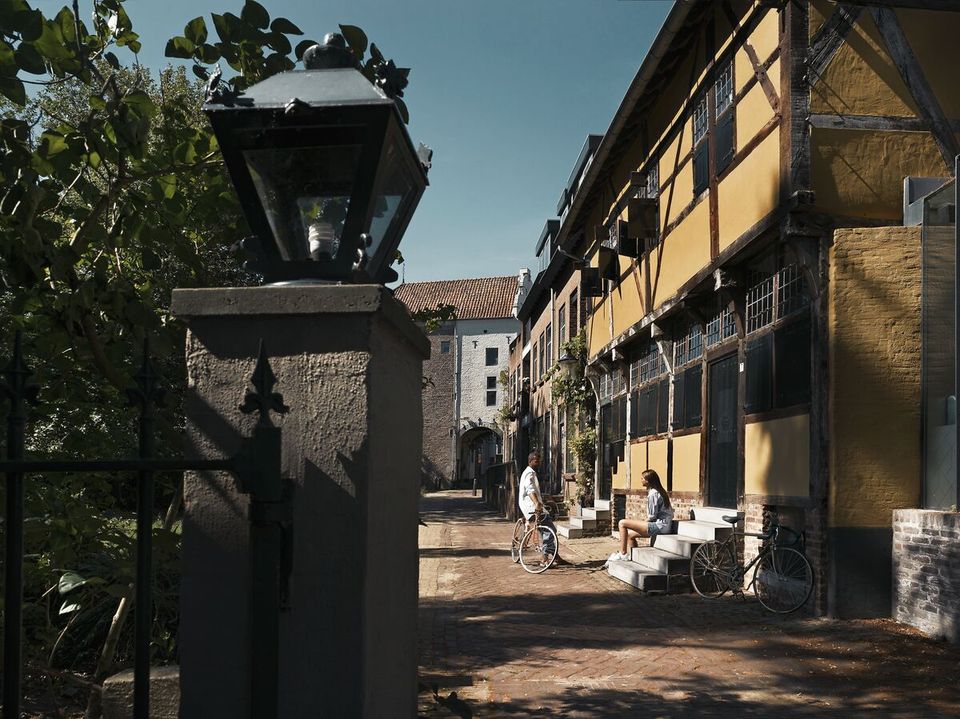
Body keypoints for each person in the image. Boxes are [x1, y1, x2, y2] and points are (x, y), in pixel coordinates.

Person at [607, 469, 674, 564]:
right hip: (665, 526)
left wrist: (642, 523)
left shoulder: (653, 494)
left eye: (642, 478)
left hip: (659, 526)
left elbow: (652, 516)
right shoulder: (660, 491)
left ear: (648, 480)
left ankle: (623, 554)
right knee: (630, 535)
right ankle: (636, 558)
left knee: (622, 523)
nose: (641, 480)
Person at [518, 450, 557, 561]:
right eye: (536, 461)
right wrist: (536, 502)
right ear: (530, 461)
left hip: (529, 507)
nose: (538, 463)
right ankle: (544, 558)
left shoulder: (528, 472)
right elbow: (530, 489)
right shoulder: (529, 473)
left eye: (539, 461)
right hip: (533, 508)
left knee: (547, 531)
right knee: (550, 530)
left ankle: (556, 556)